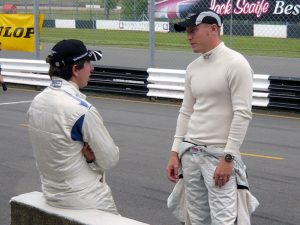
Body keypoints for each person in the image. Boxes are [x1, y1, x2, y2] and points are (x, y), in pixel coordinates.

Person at [166, 9, 258, 225]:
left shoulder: (236, 63)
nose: (188, 36)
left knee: (224, 220)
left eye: (193, 30)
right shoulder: (193, 67)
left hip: (219, 156)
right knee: (194, 219)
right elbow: (186, 111)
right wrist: (174, 152)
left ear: (213, 29)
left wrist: (229, 158)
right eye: (186, 31)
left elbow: (242, 114)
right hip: (189, 153)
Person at [27, 39, 119, 214]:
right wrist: (92, 160)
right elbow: (110, 159)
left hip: (51, 195)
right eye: (88, 63)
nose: (91, 68)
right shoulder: (82, 111)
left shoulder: (36, 102)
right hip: (88, 200)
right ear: (75, 69)